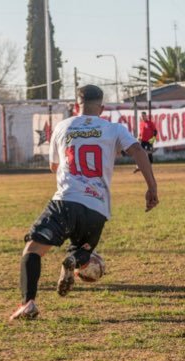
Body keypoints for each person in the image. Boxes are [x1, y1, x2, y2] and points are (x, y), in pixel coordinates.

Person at [9, 85, 159, 321]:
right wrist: (152, 186)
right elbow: (138, 150)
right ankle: (73, 260)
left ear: (75, 105)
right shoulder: (113, 128)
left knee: (33, 250)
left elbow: (54, 167)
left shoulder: (63, 126)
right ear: (102, 108)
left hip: (66, 200)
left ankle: (28, 303)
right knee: (83, 249)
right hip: (97, 209)